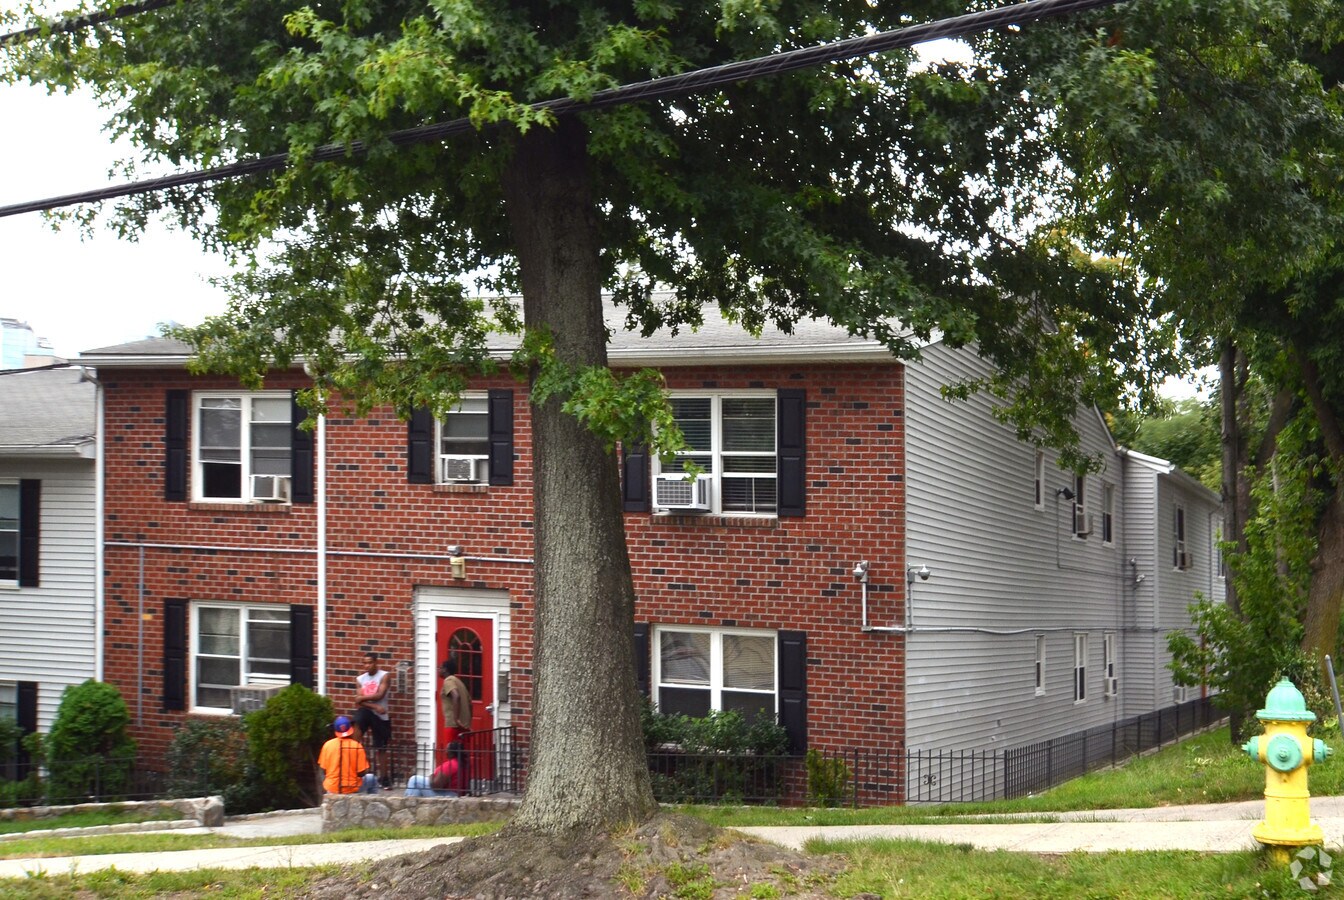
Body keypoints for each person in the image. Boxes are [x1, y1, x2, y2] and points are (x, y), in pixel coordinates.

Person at [353, 652, 394, 788]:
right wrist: (374, 706)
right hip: (368, 712)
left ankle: (385, 778)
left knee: (381, 746)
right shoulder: (360, 679)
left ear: (376, 663)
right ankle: (353, 771)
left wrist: (363, 699)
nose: (367, 666)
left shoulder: (384, 675)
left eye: (370, 662)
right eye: (364, 663)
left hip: (381, 716)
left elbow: (380, 695)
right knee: (357, 727)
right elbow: (360, 703)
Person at [317, 715, 379, 794]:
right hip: (351, 788)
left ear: (335, 730)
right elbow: (362, 773)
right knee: (372, 779)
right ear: (350, 729)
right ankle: (371, 804)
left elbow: (323, 769)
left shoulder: (327, 745)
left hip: (332, 787)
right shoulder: (357, 746)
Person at [439, 657, 473, 747]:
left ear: (446, 669)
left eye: (440, 668)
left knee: (451, 755)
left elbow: (456, 696)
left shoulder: (448, 680)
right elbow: (470, 704)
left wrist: (456, 719)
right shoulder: (460, 682)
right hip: (464, 727)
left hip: (453, 726)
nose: (438, 670)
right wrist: (468, 723)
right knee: (462, 756)